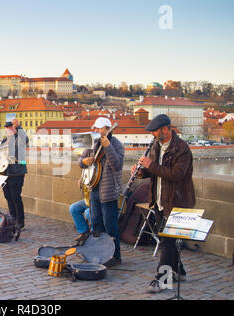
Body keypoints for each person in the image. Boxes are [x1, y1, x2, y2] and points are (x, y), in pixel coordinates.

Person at [131, 114, 195, 293]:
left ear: (165, 129)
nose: (152, 134)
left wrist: (151, 166)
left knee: (167, 241)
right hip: (159, 201)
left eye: (155, 131)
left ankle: (161, 279)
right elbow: (153, 173)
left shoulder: (181, 149)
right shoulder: (156, 146)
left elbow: (177, 175)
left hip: (177, 201)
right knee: (168, 240)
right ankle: (179, 270)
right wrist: (141, 172)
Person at [80, 117, 124, 268]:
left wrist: (108, 147)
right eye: (96, 128)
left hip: (108, 190)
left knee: (110, 225)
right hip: (94, 188)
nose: (97, 131)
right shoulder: (93, 142)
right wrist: (84, 162)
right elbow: (81, 160)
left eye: (99, 128)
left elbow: (117, 165)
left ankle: (115, 256)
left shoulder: (116, 145)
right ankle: (99, 253)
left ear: (107, 128)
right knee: (96, 224)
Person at [0, 121, 28, 231]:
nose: (9, 129)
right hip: (4, 173)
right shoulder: (5, 140)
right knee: (8, 197)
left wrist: (19, 126)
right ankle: (13, 220)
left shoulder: (20, 138)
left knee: (16, 197)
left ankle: (20, 222)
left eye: (11, 127)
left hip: (16, 173)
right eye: (7, 127)